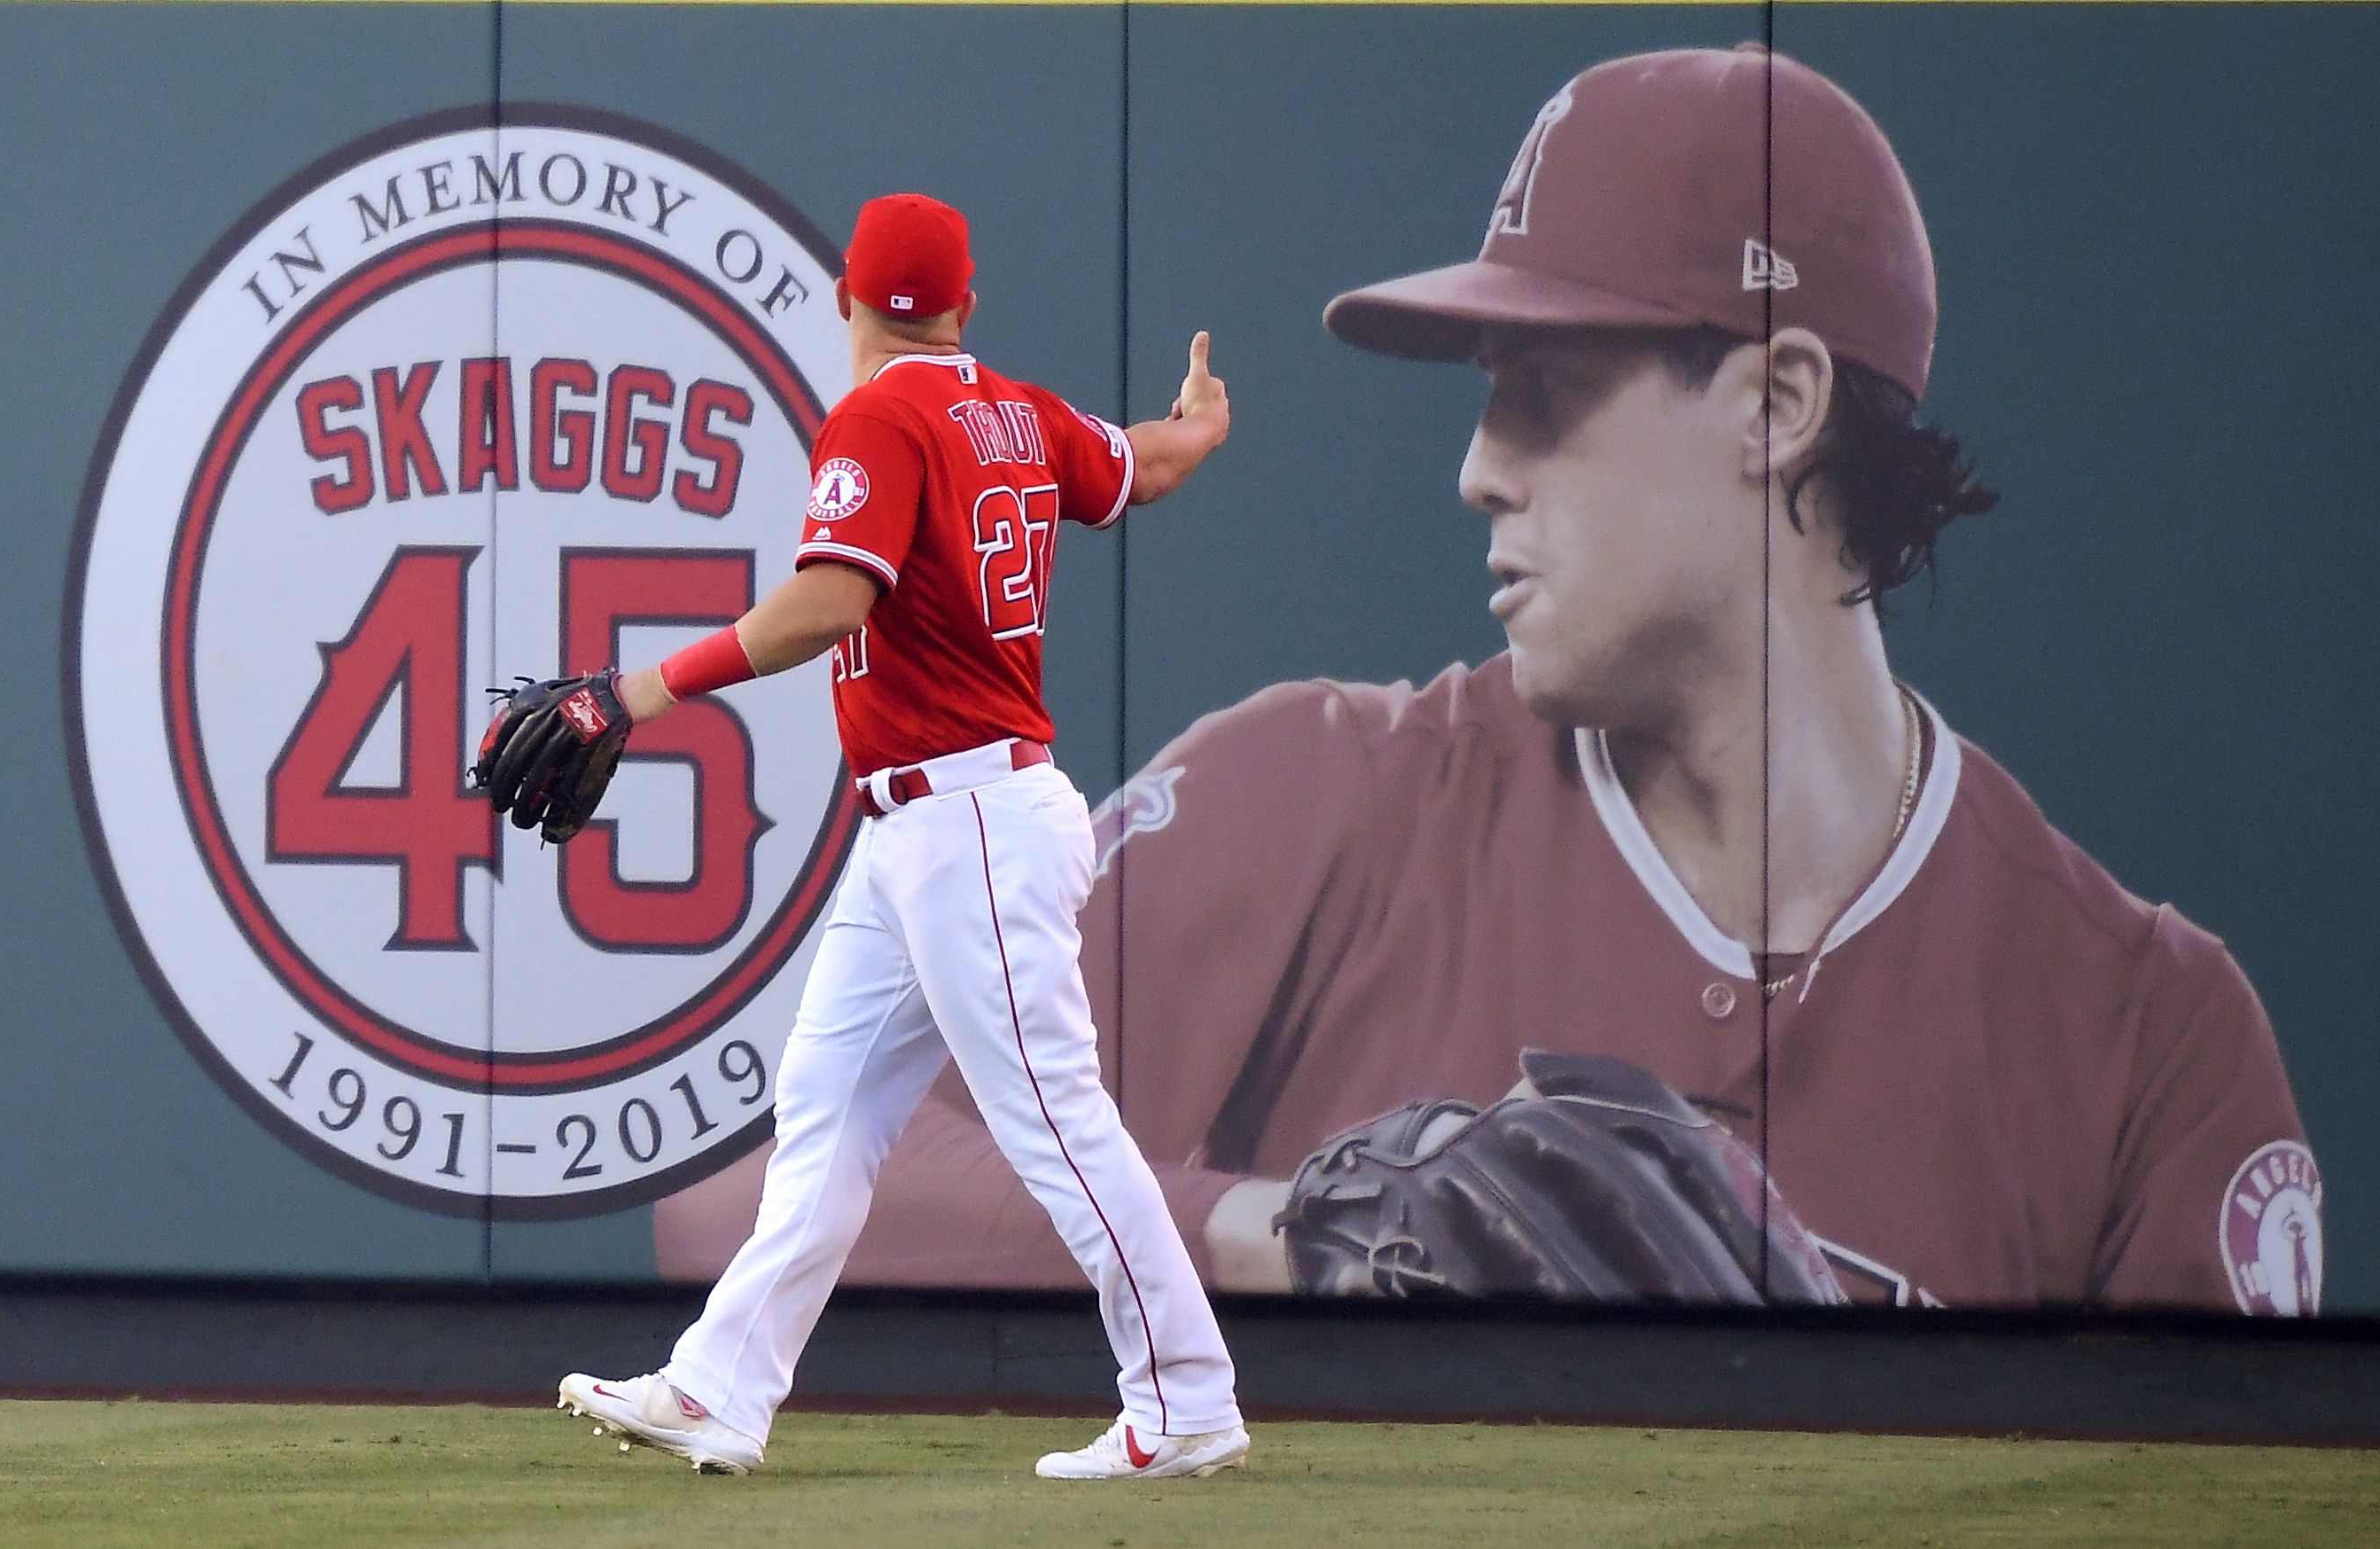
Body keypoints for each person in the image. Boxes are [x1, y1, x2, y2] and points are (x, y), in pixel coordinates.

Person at [654, 49, 2321, 1316]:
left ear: (1774, 402)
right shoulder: (1320, 796)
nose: (1475, 471)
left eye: (1542, 391)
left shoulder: (2148, 1041)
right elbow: (742, 1205)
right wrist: (1292, 1230)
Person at [559, 192, 1252, 1480]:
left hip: (969, 822)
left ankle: (1188, 1394)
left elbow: (829, 601)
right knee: (823, 1106)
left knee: (1054, 1119)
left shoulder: (881, 413)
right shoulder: (1018, 409)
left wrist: (642, 690)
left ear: (848, 301)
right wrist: (1200, 423)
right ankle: (719, 1386)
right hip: (926, 829)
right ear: (963, 305)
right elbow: (1141, 464)